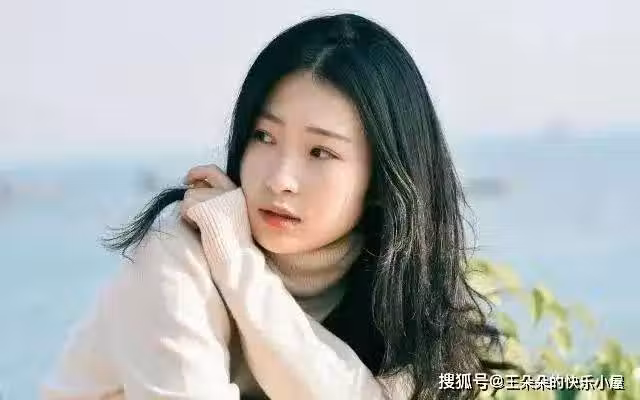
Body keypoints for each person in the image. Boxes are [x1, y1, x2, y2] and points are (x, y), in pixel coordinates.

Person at [41, 13, 515, 400]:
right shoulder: (178, 255)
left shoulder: (402, 289)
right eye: (264, 137)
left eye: (320, 152)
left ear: (382, 178)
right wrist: (229, 256)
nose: (279, 180)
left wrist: (240, 265)